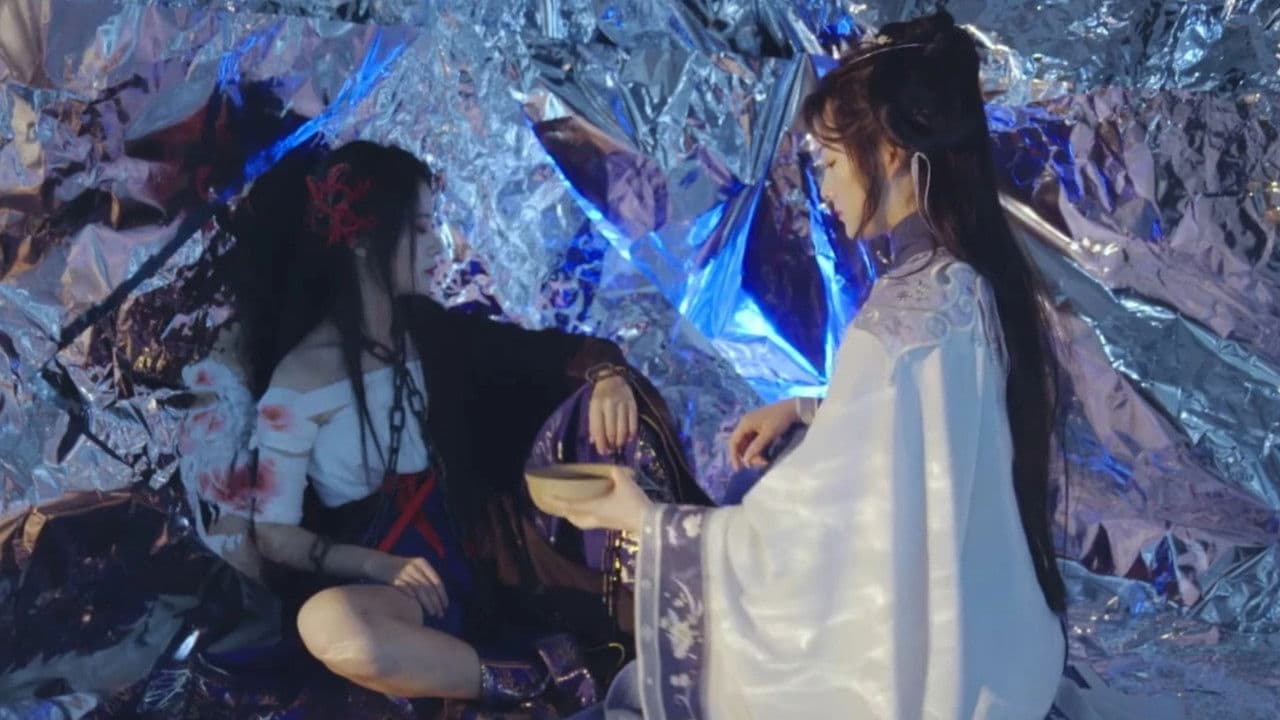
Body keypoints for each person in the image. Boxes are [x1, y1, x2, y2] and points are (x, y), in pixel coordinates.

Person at [542, 11, 1068, 719]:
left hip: (923, 677)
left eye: (828, 163)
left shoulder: (903, 319)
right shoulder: (960, 282)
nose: (824, 187)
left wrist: (653, 525)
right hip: (994, 646)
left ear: (888, 153)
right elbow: (928, 441)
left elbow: (814, 538)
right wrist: (807, 409)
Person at [186, 139, 648, 709]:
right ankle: (530, 678)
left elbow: (539, 354)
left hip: (487, 556)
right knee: (328, 626)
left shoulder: (429, 331)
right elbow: (276, 536)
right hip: (393, 589)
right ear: (361, 240)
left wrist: (607, 375)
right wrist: (378, 565)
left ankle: (551, 659)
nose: (436, 245)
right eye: (421, 229)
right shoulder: (300, 380)